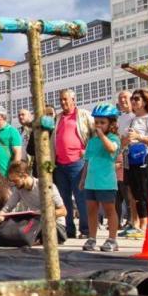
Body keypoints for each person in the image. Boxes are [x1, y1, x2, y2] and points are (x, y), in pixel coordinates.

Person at [0, 160, 67, 244]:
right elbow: (5, 210)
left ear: (24, 176)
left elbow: (63, 211)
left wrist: (42, 214)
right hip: (35, 225)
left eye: (15, 181)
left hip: (55, 226)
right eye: (11, 181)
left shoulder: (46, 186)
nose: (14, 184)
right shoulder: (19, 189)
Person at [78, 104, 122, 252]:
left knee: (109, 210)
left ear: (111, 124)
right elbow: (87, 161)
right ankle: (92, 238)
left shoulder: (114, 138)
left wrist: (102, 135)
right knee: (91, 210)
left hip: (106, 182)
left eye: (102, 122)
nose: (98, 125)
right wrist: (83, 179)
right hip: (91, 181)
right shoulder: (92, 141)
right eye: (96, 122)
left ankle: (112, 239)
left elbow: (111, 149)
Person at [52, 89, 94, 239]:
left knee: (81, 197)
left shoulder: (83, 115)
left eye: (65, 99)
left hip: (78, 163)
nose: (63, 102)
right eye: (61, 100)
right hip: (60, 165)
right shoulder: (57, 118)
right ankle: (69, 229)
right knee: (63, 199)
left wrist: (88, 151)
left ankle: (86, 229)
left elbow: (94, 135)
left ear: (73, 99)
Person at [125, 89, 148, 237]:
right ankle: (140, 223)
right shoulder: (133, 119)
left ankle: (146, 224)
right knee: (135, 193)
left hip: (145, 157)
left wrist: (139, 137)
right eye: (132, 99)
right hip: (131, 158)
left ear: (145, 102)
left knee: (145, 190)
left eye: (137, 99)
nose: (133, 101)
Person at [114, 90, 138, 236]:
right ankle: (117, 222)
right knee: (117, 193)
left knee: (129, 191)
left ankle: (132, 221)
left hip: (132, 157)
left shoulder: (137, 117)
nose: (123, 100)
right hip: (118, 157)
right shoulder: (119, 119)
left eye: (125, 98)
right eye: (120, 98)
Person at [17, 108, 37, 177]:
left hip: (33, 165)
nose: (20, 117)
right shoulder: (20, 131)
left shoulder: (35, 128)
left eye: (23, 115)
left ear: (30, 116)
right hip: (23, 165)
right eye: (19, 115)